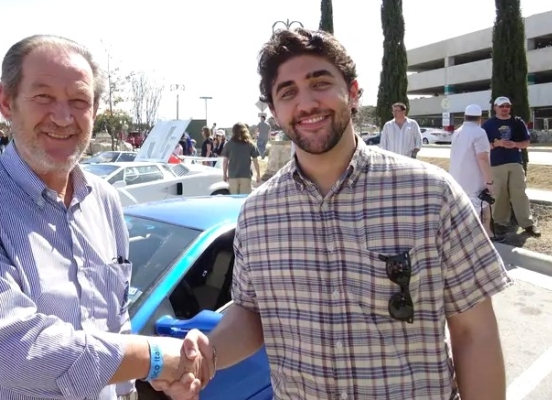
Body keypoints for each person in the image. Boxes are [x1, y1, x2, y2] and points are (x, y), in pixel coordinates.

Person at [157, 28, 511, 400]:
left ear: (353, 92)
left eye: (320, 83)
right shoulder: (257, 214)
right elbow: (250, 312)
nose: (306, 103)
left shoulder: (431, 194)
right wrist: (207, 355)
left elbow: (476, 334)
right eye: (288, 92)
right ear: (275, 112)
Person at [0, 35, 211, 400]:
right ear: (6, 101)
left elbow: (112, 319)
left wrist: (158, 378)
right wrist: (154, 358)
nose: (62, 117)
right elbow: (16, 350)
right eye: (43, 97)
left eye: (78, 101)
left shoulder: (103, 200)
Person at [482, 96, 540, 237]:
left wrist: (515, 144)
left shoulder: (517, 122)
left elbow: (526, 142)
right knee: (499, 194)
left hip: (515, 162)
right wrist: (496, 144)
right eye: (501, 106)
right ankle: (500, 223)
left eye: (507, 106)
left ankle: (527, 224)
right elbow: (482, 147)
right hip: (496, 164)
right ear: (495, 107)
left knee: (519, 193)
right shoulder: (488, 125)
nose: (505, 108)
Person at [449, 104, 501, 241]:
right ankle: (482, 238)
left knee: (464, 210)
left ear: (465, 117)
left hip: (457, 179)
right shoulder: (479, 132)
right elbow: (483, 158)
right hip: (474, 181)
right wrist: (490, 181)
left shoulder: (457, 132)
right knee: (480, 208)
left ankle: (485, 233)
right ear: (480, 118)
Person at [222, 122, 261, 194]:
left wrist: (224, 174)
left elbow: (225, 162)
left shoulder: (228, 145)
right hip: (246, 176)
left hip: (233, 176)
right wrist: (258, 175)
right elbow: (256, 162)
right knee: (243, 200)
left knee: (233, 199)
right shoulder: (250, 144)